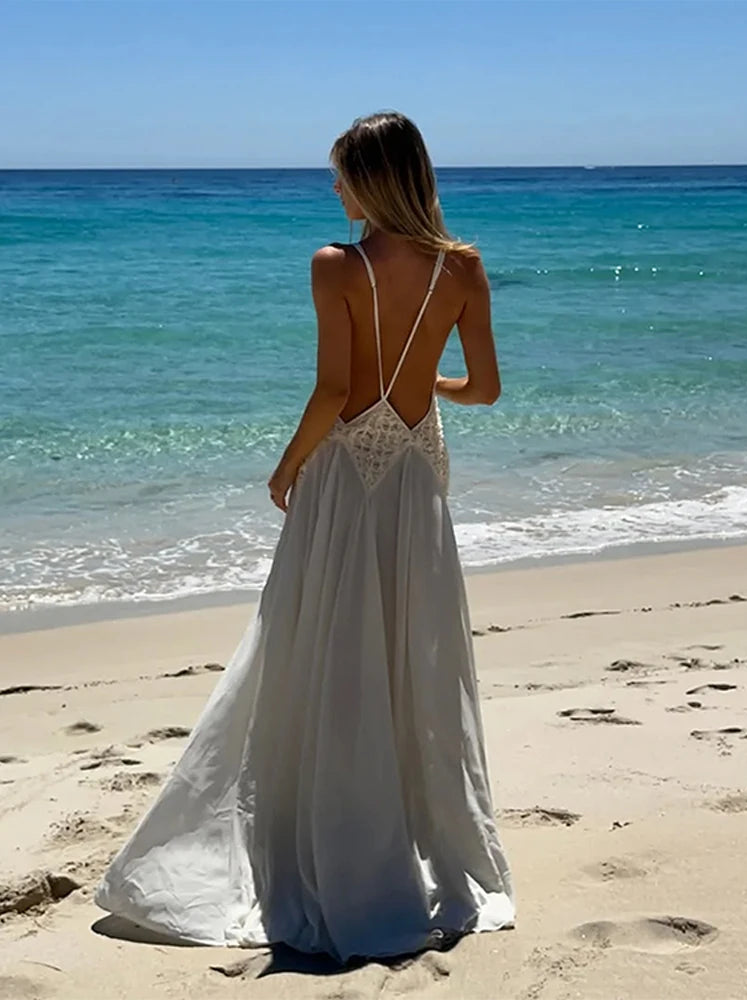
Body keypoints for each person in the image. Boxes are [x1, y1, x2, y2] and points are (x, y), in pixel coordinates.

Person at [94, 110, 516, 965]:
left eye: (340, 174)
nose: (332, 190)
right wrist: (425, 373)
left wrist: (286, 468)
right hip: (415, 483)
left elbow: (332, 390)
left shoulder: (339, 264)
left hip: (343, 482)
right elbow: (486, 392)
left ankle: (323, 830)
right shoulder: (462, 267)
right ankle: (411, 837)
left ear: (373, 178)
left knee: (316, 647)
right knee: (409, 654)